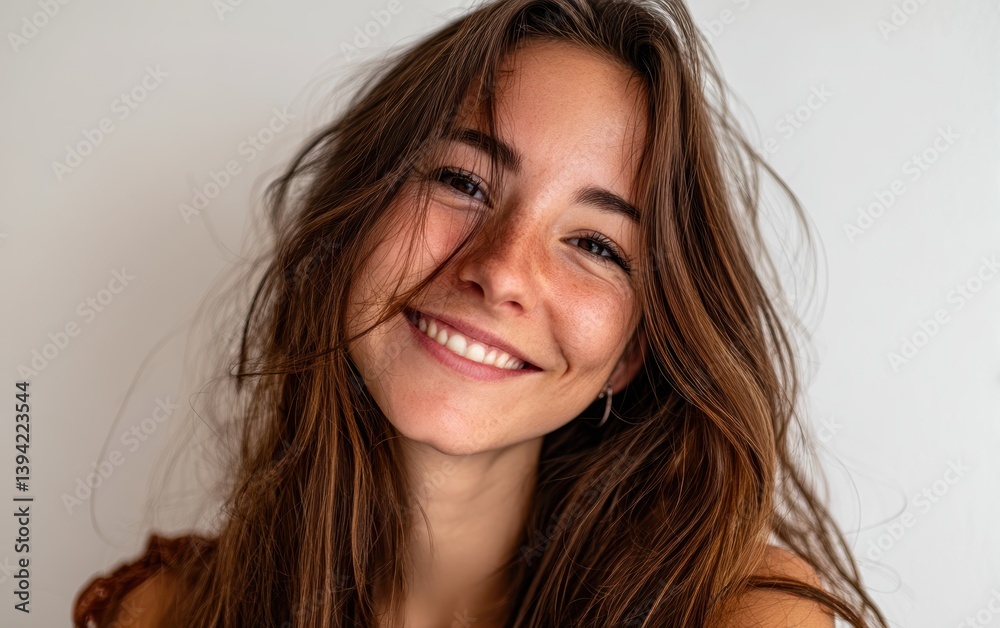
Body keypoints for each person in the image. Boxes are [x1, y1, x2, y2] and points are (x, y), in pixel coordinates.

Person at [73, 0, 890, 626]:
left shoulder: (740, 615)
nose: (500, 272)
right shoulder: (160, 612)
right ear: (354, 221)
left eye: (596, 245)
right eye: (462, 183)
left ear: (634, 351)